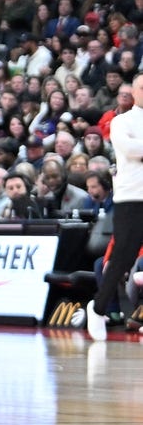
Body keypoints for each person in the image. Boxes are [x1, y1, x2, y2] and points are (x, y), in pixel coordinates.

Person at [88, 72, 143, 341]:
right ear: (133, 91)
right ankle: (98, 309)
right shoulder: (122, 121)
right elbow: (131, 149)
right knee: (122, 256)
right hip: (132, 198)